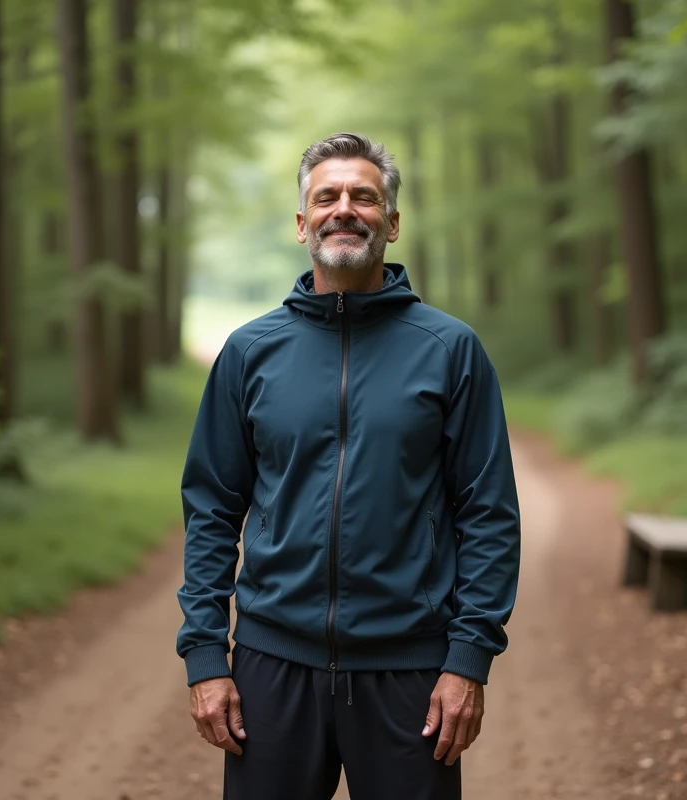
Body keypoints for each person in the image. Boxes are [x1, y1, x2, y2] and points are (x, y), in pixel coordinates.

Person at [176, 131, 521, 799]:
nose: (344, 209)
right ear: (302, 223)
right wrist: (203, 657)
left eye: (364, 197)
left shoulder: (450, 350)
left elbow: (488, 514)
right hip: (272, 667)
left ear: (391, 223)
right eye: (325, 196)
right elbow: (212, 511)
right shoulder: (250, 353)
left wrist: (468, 660)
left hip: (410, 672)